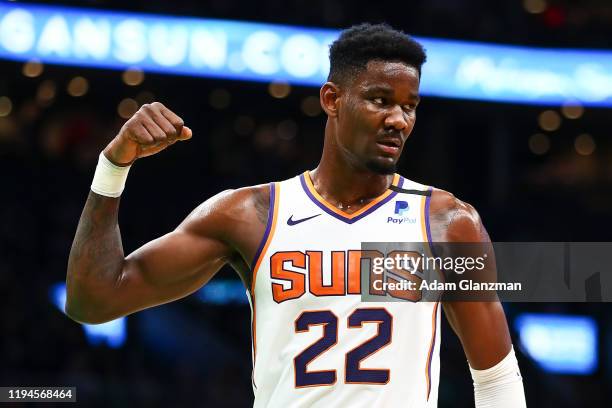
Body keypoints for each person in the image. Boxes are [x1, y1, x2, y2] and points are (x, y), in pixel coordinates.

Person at [66, 23, 526, 407]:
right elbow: (94, 301)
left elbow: (497, 379)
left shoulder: (447, 222)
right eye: (381, 100)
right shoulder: (249, 215)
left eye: (409, 106)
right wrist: (113, 166)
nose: (399, 120)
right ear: (331, 99)